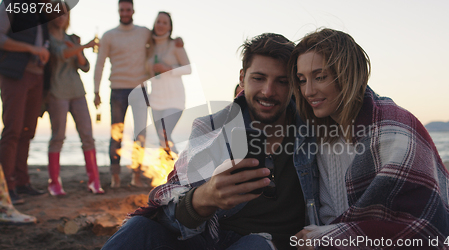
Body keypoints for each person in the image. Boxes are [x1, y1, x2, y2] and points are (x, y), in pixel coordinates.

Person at [102, 33, 321, 250]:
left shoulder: (314, 129)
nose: (268, 91)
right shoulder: (211, 128)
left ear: (293, 84)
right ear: (242, 78)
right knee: (140, 228)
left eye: (282, 82)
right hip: (206, 238)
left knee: (256, 245)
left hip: (265, 244)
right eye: (259, 78)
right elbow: (168, 217)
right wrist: (202, 200)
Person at [289, 28, 449, 249]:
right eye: (302, 80)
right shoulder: (318, 133)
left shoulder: (392, 127)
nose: (308, 91)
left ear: (347, 74)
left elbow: (422, 227)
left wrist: (326, 238)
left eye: (320, 77)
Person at [94, 0, 184, 188]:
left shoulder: (144, 32)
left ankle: (136, 175)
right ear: (119, 11)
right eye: (122, 10)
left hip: (140, 90)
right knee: (116, 134)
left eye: (128, 9)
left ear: (133, 11)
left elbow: (162, 36)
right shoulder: (109, 36)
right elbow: (100, 63)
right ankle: (115, 176)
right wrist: (96, 90)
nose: (125, 12)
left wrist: (176, 40)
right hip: (117, 90)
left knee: (140, 135)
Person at [45, 1, 104, 196]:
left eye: (64, 14)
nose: (61, 17)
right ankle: (54, 183)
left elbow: (84, 66)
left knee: (87, 136)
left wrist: (79, 49)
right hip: (57, 92)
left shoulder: (71, 37)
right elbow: (62, 55)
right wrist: (84, 45)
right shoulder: (47, 38)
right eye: (58, 14)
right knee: (58, 137)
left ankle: (94, 181)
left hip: (77, 91)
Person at [0, 0, 51, 204]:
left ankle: (22, 182)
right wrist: (32, 49)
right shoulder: (9, 5)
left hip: (37, 76)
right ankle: (6, 187)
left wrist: (43, 50)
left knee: (28, 131)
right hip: (15, 74)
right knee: (12, 130)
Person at [146, 12, 190, 154]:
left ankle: (179, 171)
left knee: (164, 133)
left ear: (170, 27)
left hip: (174, 98)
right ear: (154, 24)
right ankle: (167, 172)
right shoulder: (149, 47)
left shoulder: (175, 45)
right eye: (158, 21)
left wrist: (168, 69)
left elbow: (188, 69)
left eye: (165, 23)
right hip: (156, 99)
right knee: (162, 139)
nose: (161, 25)